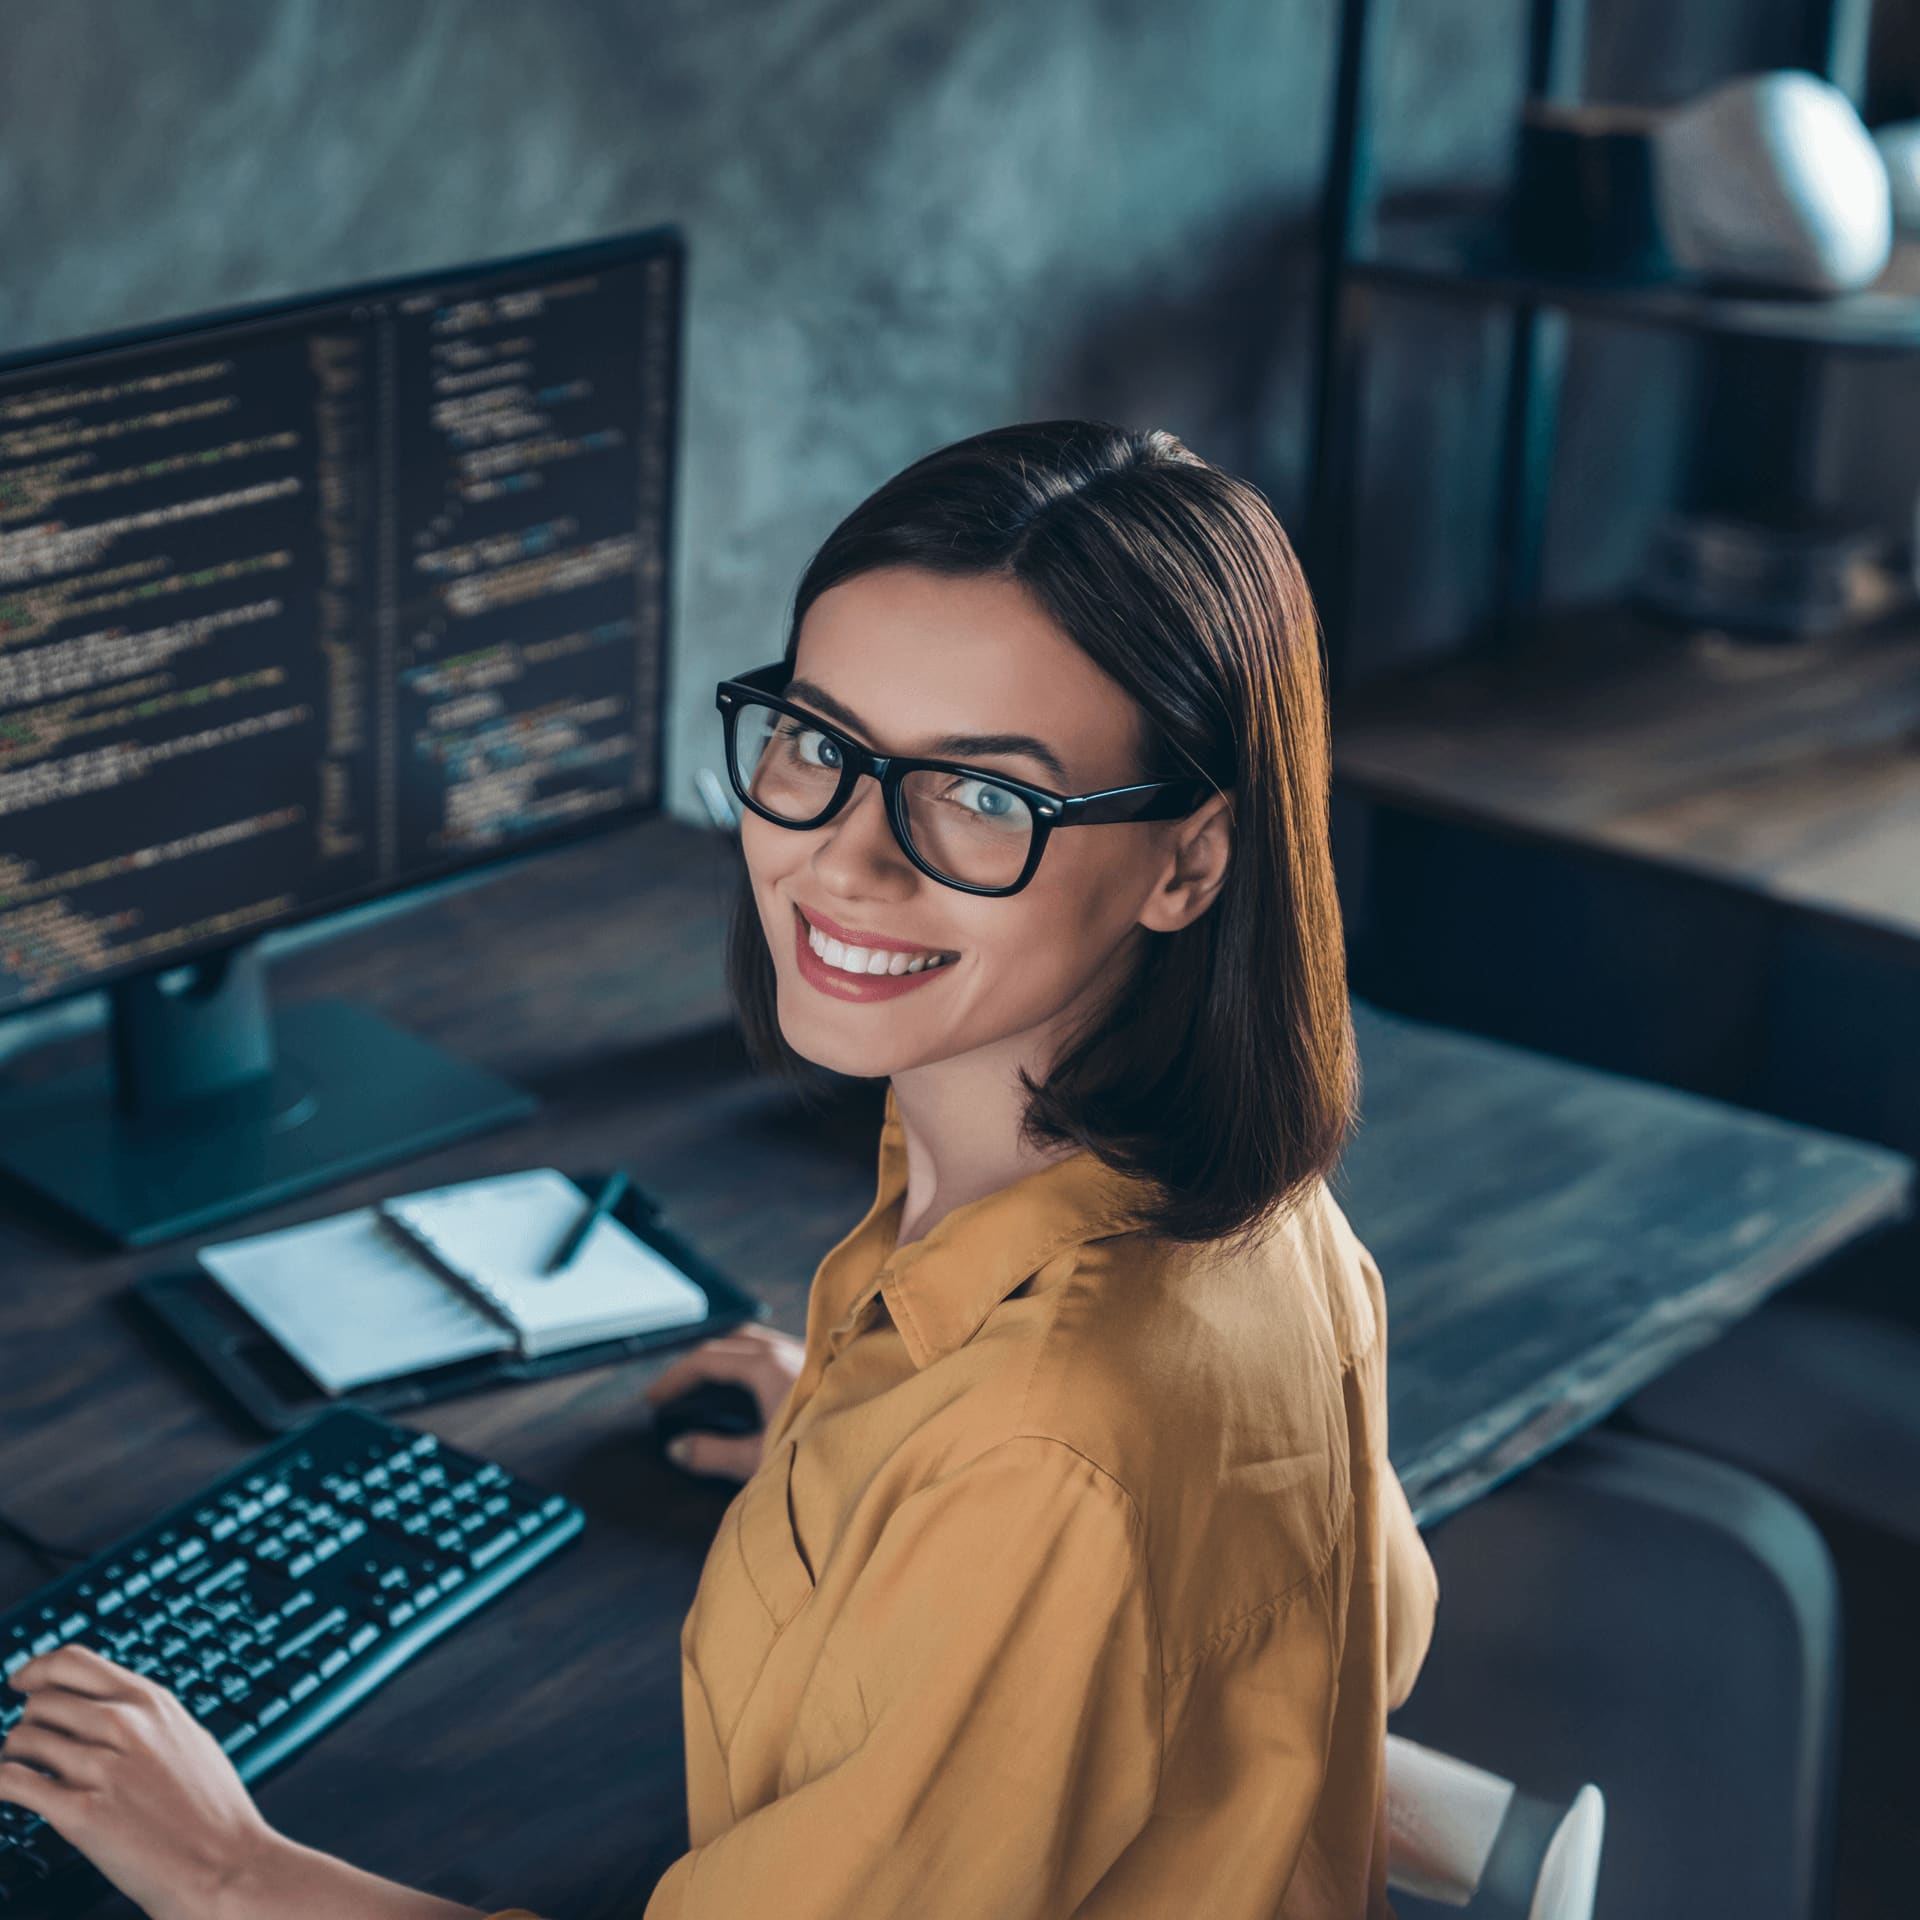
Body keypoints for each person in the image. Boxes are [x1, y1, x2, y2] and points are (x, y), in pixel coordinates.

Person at [0, 420, 1439, 1918]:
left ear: (1189, 864)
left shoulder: (1043, 1448)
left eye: (986, 797)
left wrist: (229, 1872)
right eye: (821, 744)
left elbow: (1085, 1496)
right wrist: (865, 1478)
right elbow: (1373, 1624)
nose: (846, 859)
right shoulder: (1263, 1221)